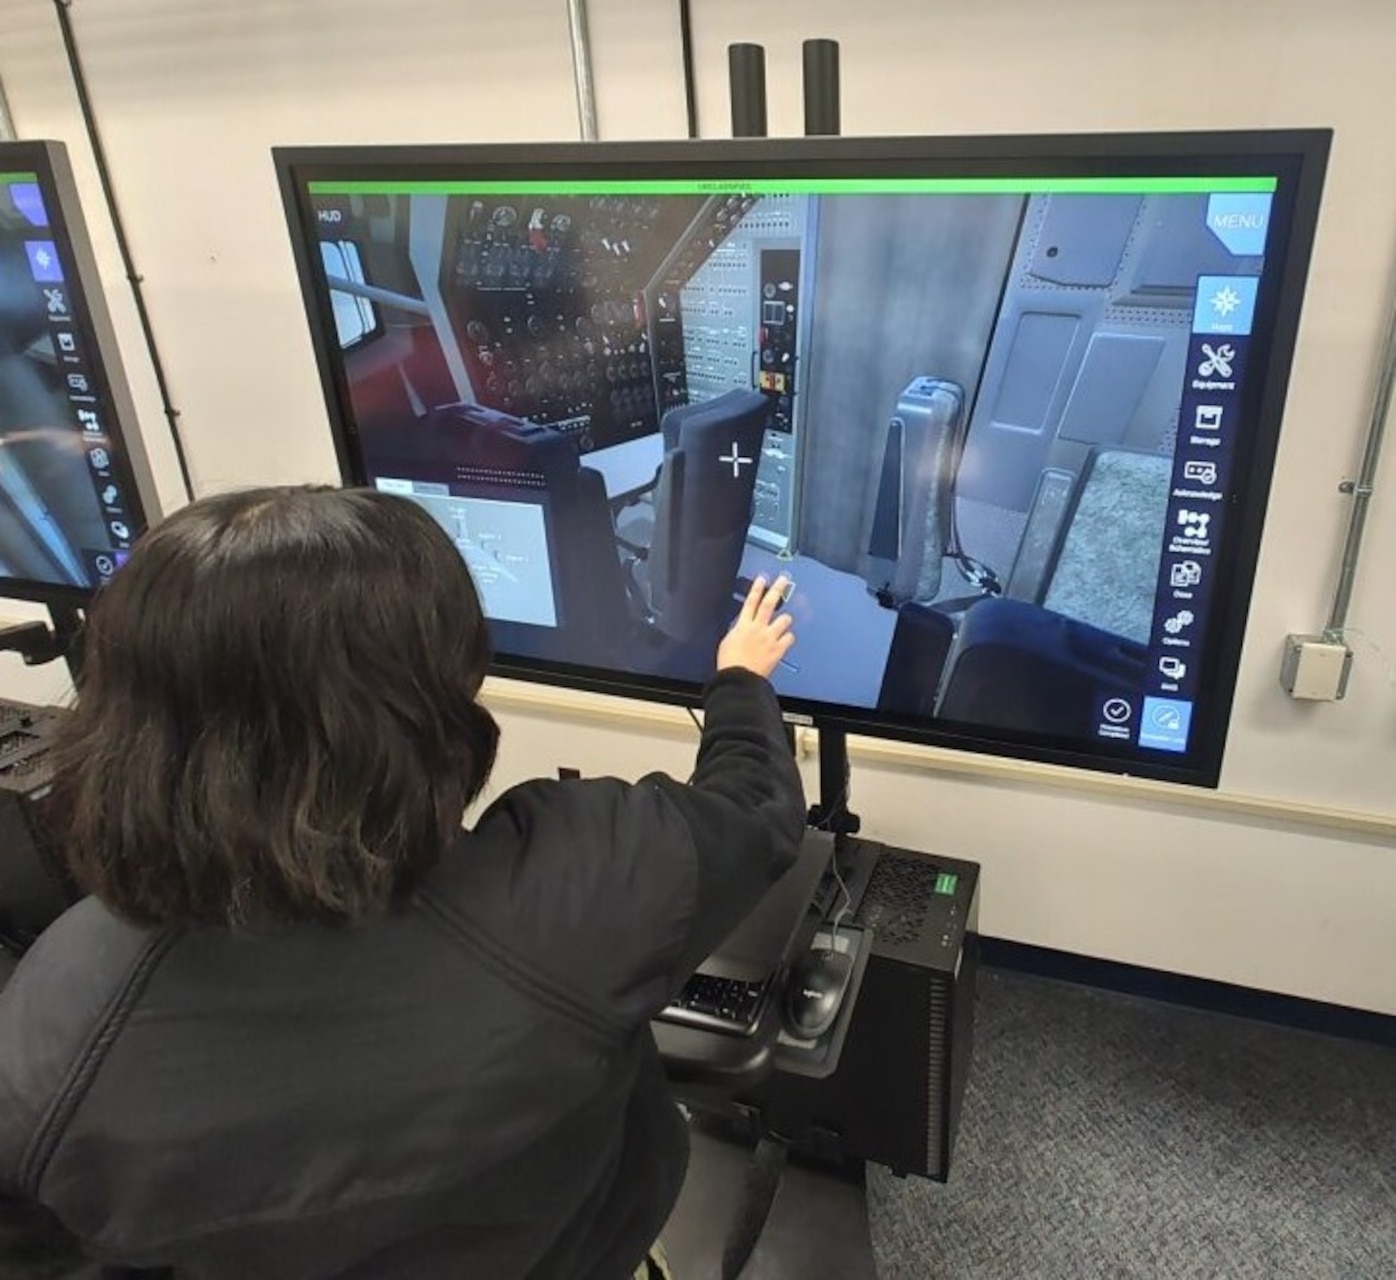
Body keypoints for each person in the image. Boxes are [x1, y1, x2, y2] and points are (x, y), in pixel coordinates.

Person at [0, 486, 806, 1279]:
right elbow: (754, 809)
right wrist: (738, 680)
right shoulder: (576, 891)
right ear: (419, 702)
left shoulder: (59, 1010)